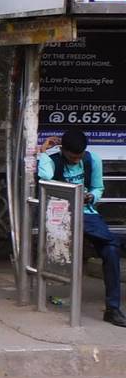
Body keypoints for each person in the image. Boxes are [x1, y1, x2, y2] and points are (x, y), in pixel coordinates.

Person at [37, 127, 126, 327]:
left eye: (80, 156)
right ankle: (117, 240)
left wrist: (92, 196)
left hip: (88, 214)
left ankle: (112, 309)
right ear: (63, 150)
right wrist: (42, 153)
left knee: (111, 251)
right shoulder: (52, 161)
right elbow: (45, 178)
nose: (77, 160)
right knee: (111, 240)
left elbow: (97, 187)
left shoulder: (92, 160)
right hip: (62, 215)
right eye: (72, 156)